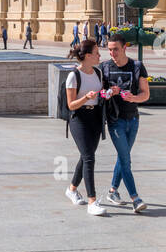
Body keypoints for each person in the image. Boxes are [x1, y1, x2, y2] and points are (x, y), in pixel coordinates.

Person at [102, 31, 150, 213]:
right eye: (109, 50)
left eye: (115, 50)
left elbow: (146, 94)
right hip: (115, 120)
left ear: (125, 48)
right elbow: (100, 94)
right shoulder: (104, 68)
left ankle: (113, 191)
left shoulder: (137, 66)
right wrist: (108, 93)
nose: (112, 54)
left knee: (123, 158)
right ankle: (135, 198)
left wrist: (133, 99)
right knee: (125, 159)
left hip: (133, 119)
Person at [63, 38, 108, 216]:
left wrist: (107, 94)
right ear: (88, 56)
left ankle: (72, 189)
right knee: (89, 158)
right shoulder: (74, 76)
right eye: (97, 53)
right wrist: (86, 98)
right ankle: (92, 201)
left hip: (95, 117)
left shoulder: (98, 73)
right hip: (79, 118)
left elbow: (99, 94)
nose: (99, 55)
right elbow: (71, 105)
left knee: (86, 156)